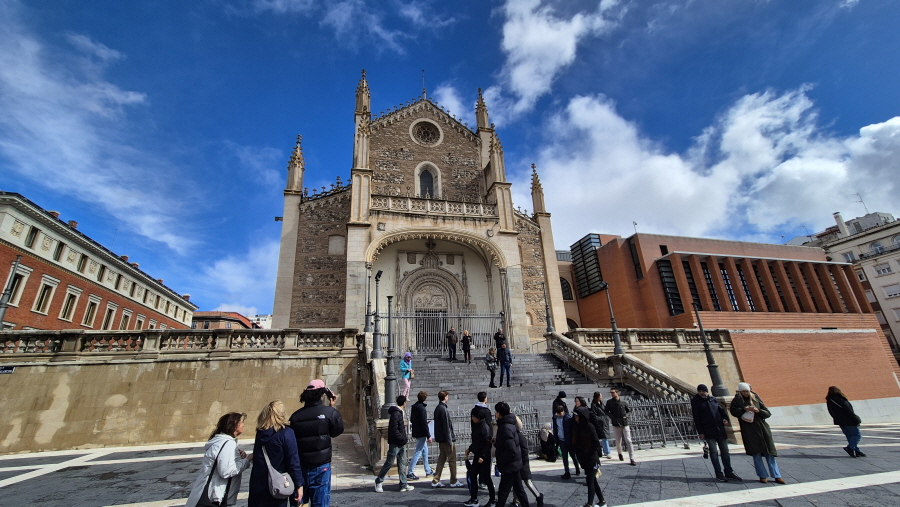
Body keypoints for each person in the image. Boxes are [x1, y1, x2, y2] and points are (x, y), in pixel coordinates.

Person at [289, 379, 345, 506]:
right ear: (321, 395)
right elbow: (337, 431)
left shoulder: (295, 417)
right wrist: (331, 407)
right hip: (321, 466)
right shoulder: (329, 413)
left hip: (300, 467)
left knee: (299, 503)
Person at [186, 412, 253, 507]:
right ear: (234, 425)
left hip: (209, 494)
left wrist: (238, 457)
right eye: (241, 422)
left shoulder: (221, 441)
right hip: (213, 497)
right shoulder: (228, 443)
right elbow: (226, 471)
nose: (243, 425)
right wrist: (247, 460)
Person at [248, 401, 304, 507]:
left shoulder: (261, 433)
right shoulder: (286, 433)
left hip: (258, 484)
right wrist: (299, 484)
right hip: (277, 484)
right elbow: (293, 461)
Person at [730, 382, 785, 484]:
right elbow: (733, 411)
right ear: (740, 392)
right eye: (744, 391)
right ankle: (762, 475)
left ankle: (777, 476)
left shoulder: (755, 398)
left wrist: (758, 411)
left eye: (747, 391)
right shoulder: (737, 400)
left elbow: (767, 413)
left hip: (762, 429)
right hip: (749, 430)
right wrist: (744, 409)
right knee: (756, 454)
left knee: (769, 453)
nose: (746, 393)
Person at [691, 384, 741, 482]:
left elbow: (721, 411)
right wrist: (701, 432)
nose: (701, 393)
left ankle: (729, 472)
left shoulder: (713, 399)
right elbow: (696, 418)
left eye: (703, 391)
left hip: (720, 429)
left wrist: (725, 419)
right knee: (714, 452)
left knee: (725, 451)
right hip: (708, 430)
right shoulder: (696, 401)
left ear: (707, 391)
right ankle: (719, 473)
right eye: (700, 391)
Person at [375, 396, 415, 492]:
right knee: (389, 462)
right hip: (396, 443)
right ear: (404, 403)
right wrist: (402, 439)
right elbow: (394, 430)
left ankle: (403, 484)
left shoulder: (399, 413)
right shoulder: (396, 414)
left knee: (402, 463)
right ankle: (378, 481)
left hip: (401, 442)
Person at [494, 402, 529, 507]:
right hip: (515, 464)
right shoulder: (510, 424)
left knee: (503, 493)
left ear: (499, 413)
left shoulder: (505, 427)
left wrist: (501, 460)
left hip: (510, 465)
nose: (495, 414)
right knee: (519, 490)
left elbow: (511, 449)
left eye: (496, 412)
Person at [572, 406, 607, 507]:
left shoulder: (589, 426)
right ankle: (602, 500)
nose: (575, 417)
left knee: (590, 480)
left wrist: (589, 452)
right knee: (593, 481)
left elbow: (596, 442)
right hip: (584, 458)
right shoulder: (577, 427)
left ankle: (590, 503)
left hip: (592, 458)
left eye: (577, 415)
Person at [431, 390, 464, 488]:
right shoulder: (443, 409)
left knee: (441, 460)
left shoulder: (438, 408)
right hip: (446, 439)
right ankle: (453, 480)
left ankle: (435, 480)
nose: (448, 398)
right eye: (447, 396)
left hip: (441, 439)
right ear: (445, 397)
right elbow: (446, 427)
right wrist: (450, 440)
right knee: (452, 460)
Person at [464, 405, 495, 507]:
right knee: (473, 475)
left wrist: (482, 456)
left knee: (487, 478)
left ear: (479, 418)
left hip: (483, 456)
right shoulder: (477, 426)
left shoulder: (484, 427)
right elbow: (476, 442)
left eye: (474, 417)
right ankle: (474, 499)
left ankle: (492, 499)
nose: (472, 418)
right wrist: (470, 449)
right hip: (478, 454)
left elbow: (487, 444)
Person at [513, 414, 544, 507]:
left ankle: (538, 496)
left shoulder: (519, 436)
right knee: (516, 483)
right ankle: (516, 501)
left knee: (527, 482)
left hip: (523, 463)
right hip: (518, 463)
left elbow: (524, 451)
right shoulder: (515, 435)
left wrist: (523, 462)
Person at [826, 386, 865, 458]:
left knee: (850, 436)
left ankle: (857, 451)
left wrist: (837, 418)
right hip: (848, 420)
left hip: (840, 421)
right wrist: (856, 420)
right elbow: (849, 411)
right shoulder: (841, 399)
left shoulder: (829, 401)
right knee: (857, 435)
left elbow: (831, 412)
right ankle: (850, 448)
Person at [407, 391, 435, 480]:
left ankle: (428, 470)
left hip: (416, 430)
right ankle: (410, 472)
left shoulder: (414, 407)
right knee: (418, 451)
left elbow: (412, 419)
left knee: (425, 451)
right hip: (422, 432)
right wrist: (428, 435)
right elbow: (423, 423)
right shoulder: (422, 408)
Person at [605, 388, 636, 466]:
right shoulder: (609, 402)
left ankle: (632, 458)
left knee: (628, 440)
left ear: (617, 393)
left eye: (613, 392)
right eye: (611, 392)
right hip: (616, 423)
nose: (612, 394)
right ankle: (620, 453)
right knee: (618, 440)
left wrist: (626, 416)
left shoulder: (623, 402)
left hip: (624, 423)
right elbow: (606, 411)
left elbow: (629, 411)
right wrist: (612, 417)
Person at [553, 404, 579, 479]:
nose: (560, 415)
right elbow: (556, 428)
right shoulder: (555, 418)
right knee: (564, 457)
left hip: (569, 440)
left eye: (561, 413)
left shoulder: (568, 418)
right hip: (561, 440)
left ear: (563, 411)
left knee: (573, 455)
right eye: (558, 413)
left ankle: (577, 468)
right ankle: (567, 472)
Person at [590, 392, 613, 459]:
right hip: (599, 423)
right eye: (600, 396)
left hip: (604, 422)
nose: (601, 397)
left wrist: (606, 418)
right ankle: (606, 452)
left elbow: (605, 411)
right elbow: (594, 414)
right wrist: (601, 419)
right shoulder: (594, 404)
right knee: (603, 437)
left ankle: (606, 451)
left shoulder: (602, 403)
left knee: (605, 437)